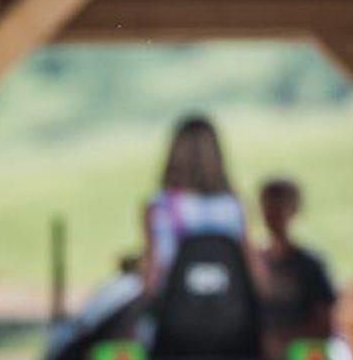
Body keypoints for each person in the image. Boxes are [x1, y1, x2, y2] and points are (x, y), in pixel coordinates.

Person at [139, 113, 249, 291]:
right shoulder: (233, 206)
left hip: (176, 304)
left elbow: (151, 278)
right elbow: (249, 267)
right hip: (228, 304)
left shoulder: (160, 206)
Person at [256, 175, 337, 346]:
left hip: (302, 352)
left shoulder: (311, 265)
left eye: (280, 205)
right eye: (269, 205)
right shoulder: (253, 262)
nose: (274, 213)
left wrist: (283, 340)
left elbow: (326, 324)